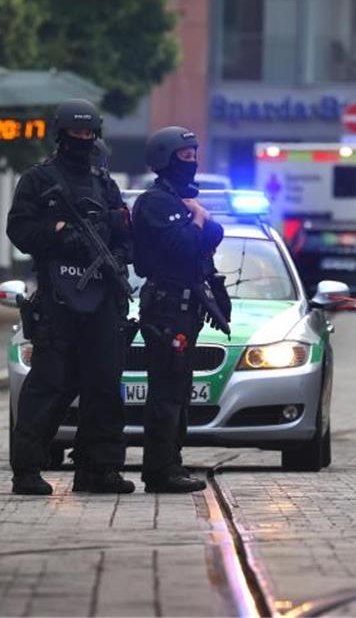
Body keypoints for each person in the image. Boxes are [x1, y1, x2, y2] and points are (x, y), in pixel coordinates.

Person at [5, 99, 135, 496]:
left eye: (88, 134)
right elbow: (19, 230)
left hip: (101, 303)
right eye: (76, 134)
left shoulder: (105, 184)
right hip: (58, 302)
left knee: (104, 385)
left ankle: (99, 470)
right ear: (61, 135)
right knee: (49, 385)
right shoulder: (38, 180)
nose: (83, 140)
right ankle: (27, 470)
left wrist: (117, 257)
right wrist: (59, 236)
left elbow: (126, 237)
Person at [132, 126, 228, 493]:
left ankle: (172, 462)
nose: (192, 163)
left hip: (184, 307)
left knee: (179, 390)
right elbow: (186, 243)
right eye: (185, 157)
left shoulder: (180, 200)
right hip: (167, 307)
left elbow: (214, 235)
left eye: (194, 156)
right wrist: (198, 220)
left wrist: (200, 218)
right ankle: (160, 470)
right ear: (165, 159)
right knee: (167, 392)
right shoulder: (156, 202)